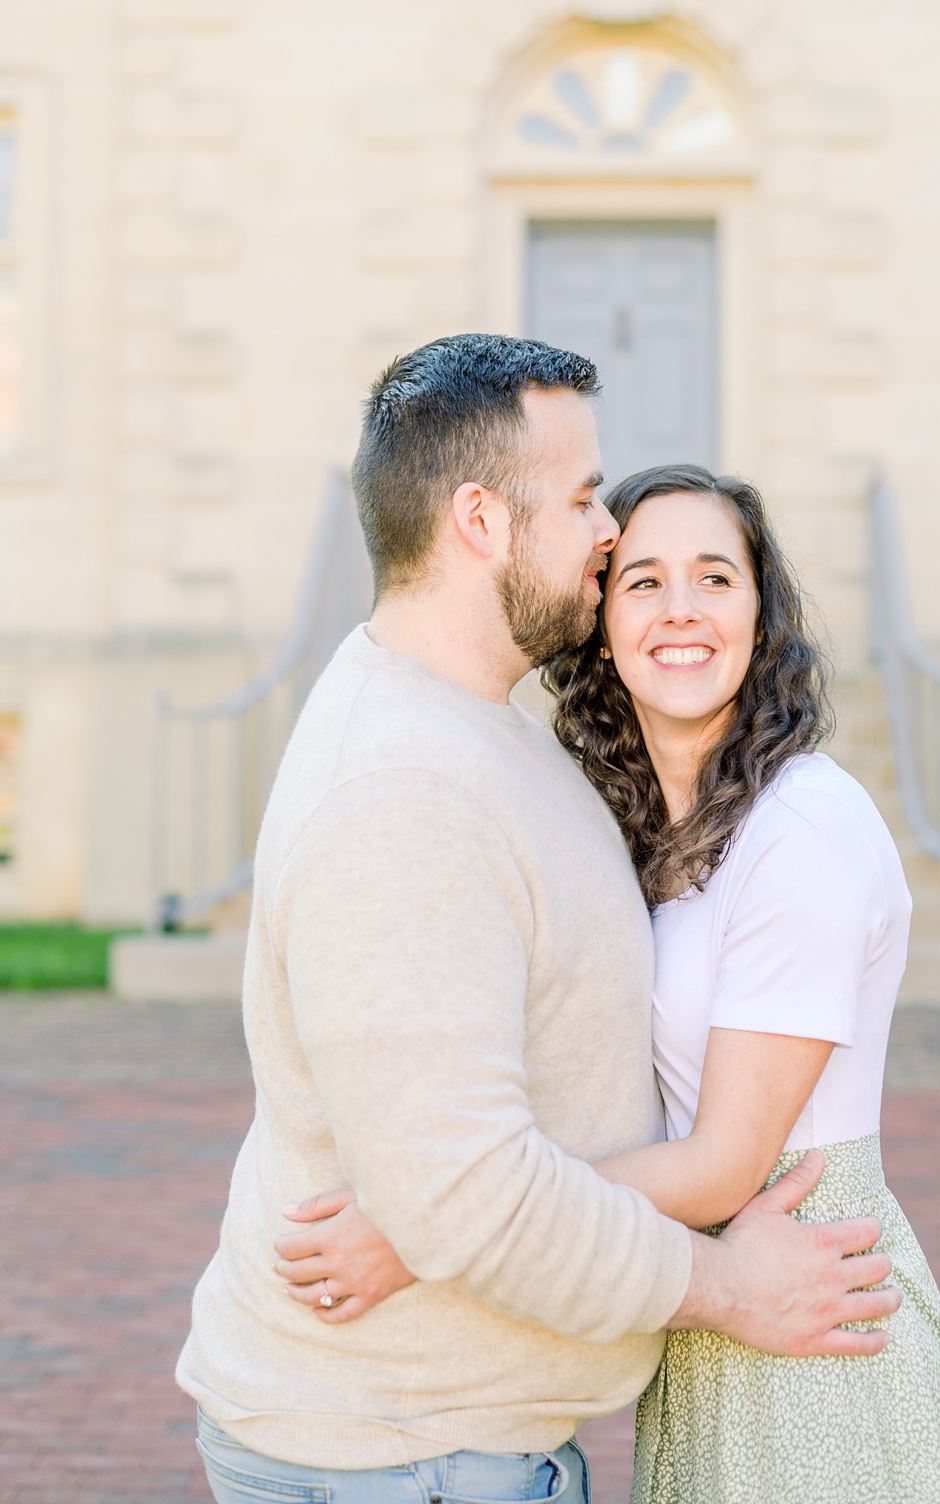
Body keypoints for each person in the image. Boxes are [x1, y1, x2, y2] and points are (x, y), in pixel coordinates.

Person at [178, 336, 902, 1504]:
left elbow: (449, 1188)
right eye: (580, 500)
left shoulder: (497, 732)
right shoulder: (405, 794)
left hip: (457, 1445)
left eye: (715, 574)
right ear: (481, 519)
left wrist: (429, 1217)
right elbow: (463, 1198)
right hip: (397, 1455)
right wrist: (728, 1287)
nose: (607, 536)